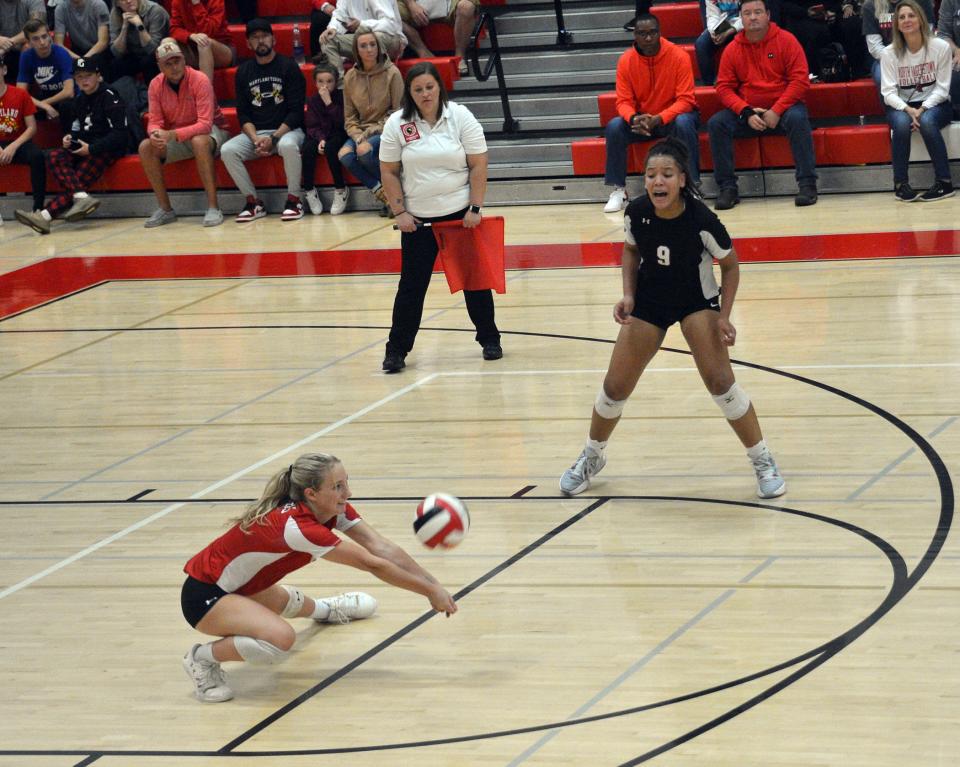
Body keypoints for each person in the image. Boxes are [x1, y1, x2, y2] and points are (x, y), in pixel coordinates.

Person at [559, 137, 786, 500]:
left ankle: (763, 460)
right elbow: (631, 252)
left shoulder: (702, 220)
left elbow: (730, 265)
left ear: (682, 179)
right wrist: (629, 294)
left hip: (695, 301)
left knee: (720, 382)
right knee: (614, 387)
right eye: (650, 175)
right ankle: (592, 456)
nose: (657, 181)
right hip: (651, 300)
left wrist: (724, 316)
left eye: (666, 174)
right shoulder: (636, 213)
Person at [180, 452, 457, 703]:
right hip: (205, 596)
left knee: (282, 600)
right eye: (338, 487)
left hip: (245, 586)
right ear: (311, 493)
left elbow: (381, 547)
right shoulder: (298, 527)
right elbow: (373, 564)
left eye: (346, 483)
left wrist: (433, 585)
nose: (347, 492)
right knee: (280, 639)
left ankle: (326, 610)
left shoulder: (331, 509)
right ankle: (201, 659)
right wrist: (428, 592)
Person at [379, 61, 501, 373]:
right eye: (418, 89)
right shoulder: (397, 124)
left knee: (474, 282)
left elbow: (479, 163)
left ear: (439, 87)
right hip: (417, 221)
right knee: (411, 288)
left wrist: (475, 208)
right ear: (410, 93)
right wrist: (400, 212)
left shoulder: (459, 116)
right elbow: (389, 171)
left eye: (429, 87)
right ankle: (396, 351)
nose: (425, 94)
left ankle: (490, 339)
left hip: (460, 218)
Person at [707, 0, 818, 209]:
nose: (753, 17)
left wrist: (776, 110)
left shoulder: (787, 40)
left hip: (783, 108)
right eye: (747, 13)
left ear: (768, 14)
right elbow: (723, 88)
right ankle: (727, 188)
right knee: (716, 124)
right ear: (741, 18)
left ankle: (807, 184)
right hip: (749, 111)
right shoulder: (732, 49)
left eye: (758, 12)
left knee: (797, 117)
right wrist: (745, 111)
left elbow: (800, 81)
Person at [14, 57, 126, 234]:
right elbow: (76, 129)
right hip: (84, 146)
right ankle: (81, 196)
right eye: (79, 77)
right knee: (53, 155)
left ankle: (44, 216)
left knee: (80, 175)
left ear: (98, 76)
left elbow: (120, 135)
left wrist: (91, 149)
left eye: (88, 75)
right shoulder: (79, 101)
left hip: (105, 149)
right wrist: (70, 139)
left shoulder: (110, 96)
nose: (84, 80)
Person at [603, 13, 699, 214]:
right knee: (614, 127)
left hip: (670, 118)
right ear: (635, 36)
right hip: (642, 121)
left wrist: (660, 118)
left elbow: (686, 100)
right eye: (642, 34)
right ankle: (619, 190)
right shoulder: (626, 61)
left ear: (660, 33)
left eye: (652, 32)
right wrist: (633, 118)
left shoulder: (679, 56)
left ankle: (691, 187)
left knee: (684, 122)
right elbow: (623, 101)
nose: (648, 38)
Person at [220, 18, 306, 222]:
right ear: (248, 44)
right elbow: (243, 114)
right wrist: (255, 138)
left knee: (287, 145)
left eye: (264, 36)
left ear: (274, 39)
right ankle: (253, 202)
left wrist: (274, 138)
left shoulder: (289, 66)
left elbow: (296, 113)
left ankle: (294, 200)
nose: (261, 41)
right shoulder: (243, 72)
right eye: (255, 38)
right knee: (228, 150)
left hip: (287, 131)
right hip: (257, 134)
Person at [139, 38, 230, 227]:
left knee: (199, 141)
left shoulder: (200, 79)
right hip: (179, 135)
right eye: (168, 64)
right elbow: (155, 120)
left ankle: (214, 207)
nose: (174, 67)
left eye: (177, 61)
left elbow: (205, 124)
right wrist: (155, 133)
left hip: (214, 131)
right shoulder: (155, 84)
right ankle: (165, 209)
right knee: (146, 147)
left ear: (184, 60)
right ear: (159, 66)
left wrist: (171, 135)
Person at [881, 0, 954, 201]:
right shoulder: (888, 53)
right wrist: (908, 110)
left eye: (911, 15)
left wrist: (921, 109)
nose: (907, 20)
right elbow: (888, 93)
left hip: (936, 104)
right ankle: (901, 184)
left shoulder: (940, 47)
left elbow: (942, 88)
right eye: (902, 17)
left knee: (928, 122)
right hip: (902, 107)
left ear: (921, 19)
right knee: (902, 125)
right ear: (896, 24)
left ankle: (944, 183)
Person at [339, 25, 401, 215]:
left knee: (364, 151)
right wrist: (357, 134)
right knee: (344, 155)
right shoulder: (350, 77)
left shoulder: (392, 73)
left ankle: (394, 195)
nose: (369, 49)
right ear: (356, 50)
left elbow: (398, 112)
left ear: (379, 47)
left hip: (386, 128)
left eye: (373, 44)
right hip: (361, 132)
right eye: (364, 46)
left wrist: (371, 133)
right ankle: (386, 194)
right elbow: (349, 116)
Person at [302, 62, 350, 216]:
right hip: (319, 134)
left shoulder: (342, 97)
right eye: (321, 81)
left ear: (336, 82)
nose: (325, 85)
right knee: (308, 148)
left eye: (329, 81)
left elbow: (342, 123)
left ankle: (341, 189)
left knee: (331, 148)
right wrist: (320, 138)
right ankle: (309, 190)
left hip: (338, 133)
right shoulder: (312, 100)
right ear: (315, 83)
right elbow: (311, 125)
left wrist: (329, 102)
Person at [0, 55, 46, 213]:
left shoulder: (20, 94)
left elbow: (32, 127)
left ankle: (38, 208)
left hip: (18, 142)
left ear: (4, 70)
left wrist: (13, 146)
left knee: (37, 156)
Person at [779, 0, 866, 78]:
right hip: (804, 16)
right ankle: (812, 72)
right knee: (816, 31)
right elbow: (785, 5)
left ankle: (857, 71)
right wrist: (806, 13)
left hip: (832, 13)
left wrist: (844, 7)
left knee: (853, 24)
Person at [318, 0, 406, 77]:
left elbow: (390, 25)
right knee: (327, 40)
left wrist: (361, 24)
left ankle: (380, 83)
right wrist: (332, 28)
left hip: (390, 39)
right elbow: (339, 15)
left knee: (371, 40)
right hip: (361, 40)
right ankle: (340, 90)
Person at [17, 17, 74, 131]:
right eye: (36, 39)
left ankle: (69, 144)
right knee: (20, 106)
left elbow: (69, 92)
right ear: (29, 43)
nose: (42, 42)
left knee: (66, 106)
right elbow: (20, 93)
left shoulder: (61, 53)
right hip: (46, 94)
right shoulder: (26, 56)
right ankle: (31, 144)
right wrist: (45, 106)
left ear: (50, 36)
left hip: (67, 97)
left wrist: (43, 104)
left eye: (44, 36)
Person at [863, 0, 934, 91]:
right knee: (881, 77)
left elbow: (927, 35)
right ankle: (895, 105)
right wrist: (898, 62)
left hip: (920, 55)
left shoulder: (922, 2)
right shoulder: (870, 5)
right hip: (885, 59)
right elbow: (874, 47)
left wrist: (912, 59)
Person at [398, 0, 479, 76]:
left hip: (449, 3)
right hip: (415, 3)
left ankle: (460, 56)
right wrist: (411, 4)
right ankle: (422, 50)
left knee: (466, 7)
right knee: (391, 13)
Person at [168, 0, 235, 79]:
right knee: (167, 42)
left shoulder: (216, 1)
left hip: (221, 48)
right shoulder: (178, 2)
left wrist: (197, 5)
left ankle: (204, 90)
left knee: (204, 42)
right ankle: (173, 88)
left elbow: (208, 31)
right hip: (192, 47)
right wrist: (190, 36)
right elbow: (174, 29)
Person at [108, 0, 170, 81]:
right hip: (133, 54)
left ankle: (153, 92)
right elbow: (116, 52)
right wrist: (124, 28)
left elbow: (152, 50)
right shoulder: (115, 13)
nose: (129, 1)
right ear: (117, 4)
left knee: (148, 62)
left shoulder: (155, 10)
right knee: (116, 63)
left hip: (155, 55)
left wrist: (139, 25)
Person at [53, 0, 110, 70]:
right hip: (76, 52)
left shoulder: (98, 4)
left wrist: (82, 60)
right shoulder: (60, 9)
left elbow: (103, 42)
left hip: (99, 52)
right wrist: (79, 60)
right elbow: (58, 44)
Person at [697, 0, 742, 86]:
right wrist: (713, 31)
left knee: (735, 44)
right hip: (723, 24)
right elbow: (712, 15)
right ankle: (709, 84)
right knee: (701, 44)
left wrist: (732, 30)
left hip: (742, 26)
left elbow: (748, 15)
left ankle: (736, 81)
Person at [0, 0, 44, 83]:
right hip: (3, 48)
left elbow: (36, 27)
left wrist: (8, 43)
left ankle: (24, 91)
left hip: (26, 46)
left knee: (30, 46)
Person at [935, 0, 960, 113]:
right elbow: (943, 35)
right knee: (952, 77)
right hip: (957, 54)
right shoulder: (950, 2)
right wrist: (956, 50)